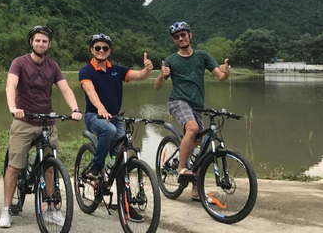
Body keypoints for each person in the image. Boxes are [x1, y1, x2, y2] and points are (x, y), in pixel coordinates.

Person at [0, 26, 82, 229]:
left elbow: (65, 89)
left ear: (49, 44)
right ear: (31, 42)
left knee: (51, 166)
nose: (41, 44)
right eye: (37, 41)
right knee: (14, 167)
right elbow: (10, 86)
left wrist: (75, 109)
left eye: (44, 41)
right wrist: (12, 107)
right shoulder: (19, 63)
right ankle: (6, 210)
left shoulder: (52, 66)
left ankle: (52, 209)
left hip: (47, 122)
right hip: (24, 121)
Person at [154, 21, 230, 201]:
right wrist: (161, 75)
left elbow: (220, 77)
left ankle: (196, 190)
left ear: (190, 35)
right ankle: (181, 169)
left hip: (197, 105)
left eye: (183, 34)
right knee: (193, 129)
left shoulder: (202, 56)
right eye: (176, 37)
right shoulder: (172, 60)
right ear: (174, 41)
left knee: (200, 148)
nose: (180, 38)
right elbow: (157, 87)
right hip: (177, 101)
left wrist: (226, 71)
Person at [78, 33, 153, 181]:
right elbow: (89, 90)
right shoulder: (86, 71)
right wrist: (100, 107)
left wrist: (148, 69)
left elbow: (139, 76)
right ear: (92, 50)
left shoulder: (117, 70)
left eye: (105, 48)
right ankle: (96, 166)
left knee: (120, 159)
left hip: (115, 117)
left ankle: (122, 200)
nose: (101, 50)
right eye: (97, 47)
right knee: (109, 130)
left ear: (109, 51)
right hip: (94, 116)